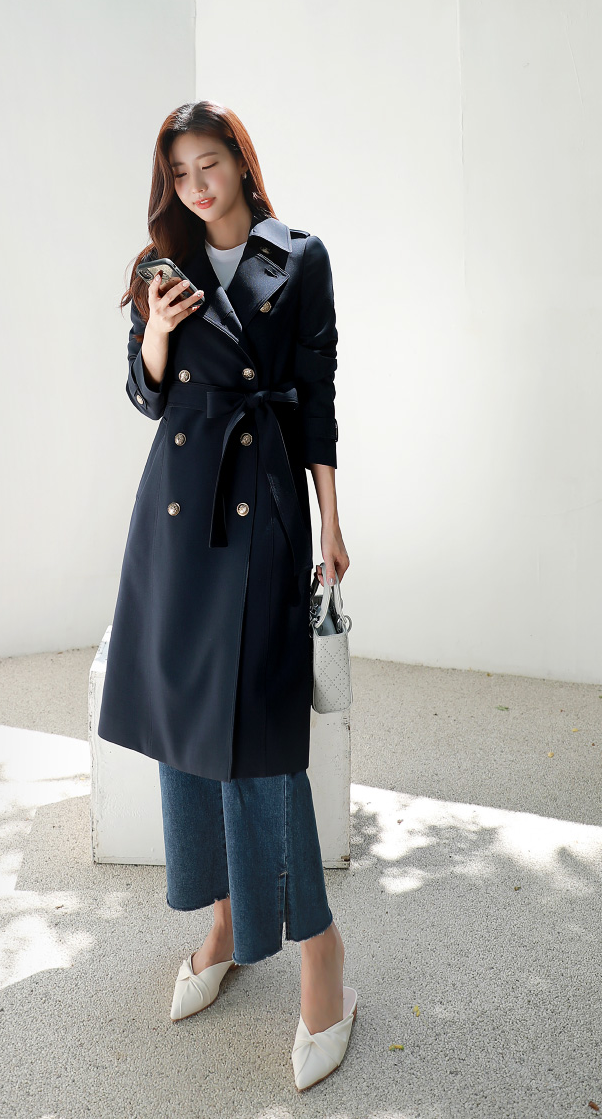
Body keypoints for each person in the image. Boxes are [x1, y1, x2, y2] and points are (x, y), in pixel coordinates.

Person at [97, 100, 356, 1091]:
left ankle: (320, 950)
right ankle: (223, 918)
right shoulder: (159, 264)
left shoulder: (299, 255)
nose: (197, 186)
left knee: (262, 741)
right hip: (176, 517)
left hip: (264, 507)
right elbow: (145, 394)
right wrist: (157, 336)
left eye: (210, 164)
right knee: (186, 729)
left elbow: (318, 397)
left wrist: (331, 524)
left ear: (242, 163)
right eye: (181, 172)